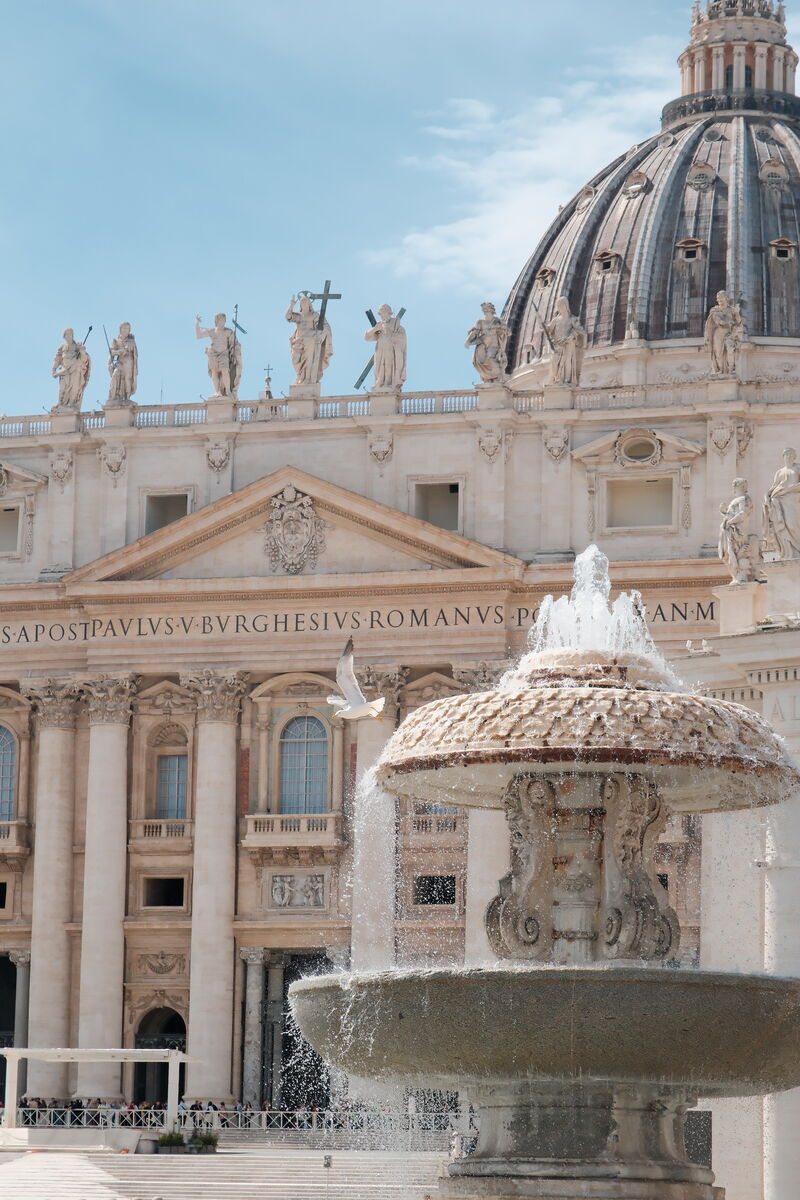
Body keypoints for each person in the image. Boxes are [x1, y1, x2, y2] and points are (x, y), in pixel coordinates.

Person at [285, 295, 333, 385]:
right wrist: (291, 305)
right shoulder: (299, 316)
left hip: (310, 340)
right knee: (295, 360)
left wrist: (322, 334)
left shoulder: (314, 315)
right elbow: (288, 316)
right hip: (298, 341)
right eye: (302, 302)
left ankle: (307, 379)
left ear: (309, 304)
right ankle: (300, 376)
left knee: (309, 360)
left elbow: (324, 326)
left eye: (305, 302)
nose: (303, 303)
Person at [763, 447, 800, 560]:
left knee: (793, 524)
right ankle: (787, 551)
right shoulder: (779, 472)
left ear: (794, 456)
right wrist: (767, 496)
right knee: (782, 525)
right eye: (785, 454)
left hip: (793, 500)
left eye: (790, 454)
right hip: (779, 500)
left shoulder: (798, 468)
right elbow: (774, 486)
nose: (787, 456)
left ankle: (797, 549)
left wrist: (788, 490)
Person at [195, 313, 242, 398]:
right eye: (221, 319)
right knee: (214, 373)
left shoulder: (228, 331)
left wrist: (235, 352)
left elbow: (234, 343)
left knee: (224, 371)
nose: (223, 321)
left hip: (224, 354)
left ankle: (228, 391)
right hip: (213, 354)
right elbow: (199, 335)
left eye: (224, 320)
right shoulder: (212, 331)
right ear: (217, 321)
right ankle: (217, 392)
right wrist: (197, 323)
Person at [465, 302, 510, 383]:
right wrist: (468, 342)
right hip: (482, 345)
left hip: (494, 345)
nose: (485, 310)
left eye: (487, 308)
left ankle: (495, 379)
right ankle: (489, 380)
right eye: (484, 309)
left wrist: (503, 329)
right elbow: (474, 332)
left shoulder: (498, 321)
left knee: (492, 361)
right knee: (479, 362)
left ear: (491, 310)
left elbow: (508, 332)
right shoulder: (480, 322)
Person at [365, 304, 407, 390]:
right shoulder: (379, 325)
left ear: (388, 313)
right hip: (380, 349)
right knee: (378, 366)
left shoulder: (396, 325)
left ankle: (388, 384)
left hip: (391, 349)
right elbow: (367, 337)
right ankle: (379, 382)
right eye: (380, 314)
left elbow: (402, 337)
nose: (381, 316)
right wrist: (375, 329)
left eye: (382, 313)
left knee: (389, 366)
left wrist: (392, 337)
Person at [546, 298, 586, 386]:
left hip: (568, 344)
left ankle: (566, 380)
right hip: (558, 345)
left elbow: (581, 332)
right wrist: (543, 326)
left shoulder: (572, 319)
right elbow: (548, 328)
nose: (559, 307)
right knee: (555, 362)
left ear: (565, 306)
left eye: (560, 305)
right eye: (558, 306)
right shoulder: (556, 320)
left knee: (567, 362)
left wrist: (572, 335)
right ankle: (557, 379)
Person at [705, 291, 744, 376]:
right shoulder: (714, 310)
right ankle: (720, 370)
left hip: (729, 334)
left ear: (726, 298)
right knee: (718, 353)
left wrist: (737, 313)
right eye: (718, 298)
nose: (719, 300)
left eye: (721, 297)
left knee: (729, 351)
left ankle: (730, 369)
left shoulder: (732, 310)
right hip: (718, 334)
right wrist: (729, 322)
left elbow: (739, 323)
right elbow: (718, 321)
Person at [52, 328, 91, 411]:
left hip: (75, 369)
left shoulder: (77, 345)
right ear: (64, 336)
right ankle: (60, 403)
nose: (69, 336)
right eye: (67, 334)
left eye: (71, 334)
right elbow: (58, 358)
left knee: (74, 387)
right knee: (62, 388)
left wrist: (82, 352)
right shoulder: (62, 347)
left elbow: (84, 359)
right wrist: (54, 369)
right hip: (64, 370)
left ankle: (72, 404)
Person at [107, 322, 138, 406]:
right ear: (120, 329)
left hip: (128, 363)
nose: (125, 330)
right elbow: (112, 352)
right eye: (123, 328)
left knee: (127, 379)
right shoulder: (116, 340)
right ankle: (114, 396)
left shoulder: (131, 341)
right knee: (115, 376)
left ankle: (127, 397)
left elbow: (129, 352)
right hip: (119, 363)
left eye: (127, 328)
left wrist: (120, 352)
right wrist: (117, 353)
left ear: (129, 330)